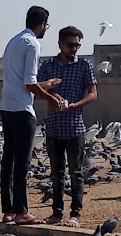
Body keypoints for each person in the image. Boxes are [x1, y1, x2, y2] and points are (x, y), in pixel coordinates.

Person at [0, 5, 65, 225]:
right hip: (21, 110)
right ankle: (21, 212)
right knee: (22, 162)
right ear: (42, 24)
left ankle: (8, 211)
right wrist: (50, 97)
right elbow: (28, 83)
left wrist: (44, 85)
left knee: (8, 160)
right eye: (46, 25)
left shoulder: (14, 41)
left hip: (6, 107)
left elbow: (22, 81)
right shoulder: (33, 44)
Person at [38, 25, 98, 225]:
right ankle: (56, 213)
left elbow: (93, 93)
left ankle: (75, 214)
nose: (74, 49)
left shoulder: (84, 66)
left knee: (76, 173)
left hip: (75, 127)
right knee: (56, 174)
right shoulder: (47, 66)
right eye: (71, 44)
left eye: (77, 45)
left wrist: (76, 105)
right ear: (60, 44)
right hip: (54, 127)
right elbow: (36, 88)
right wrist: (52, 95)